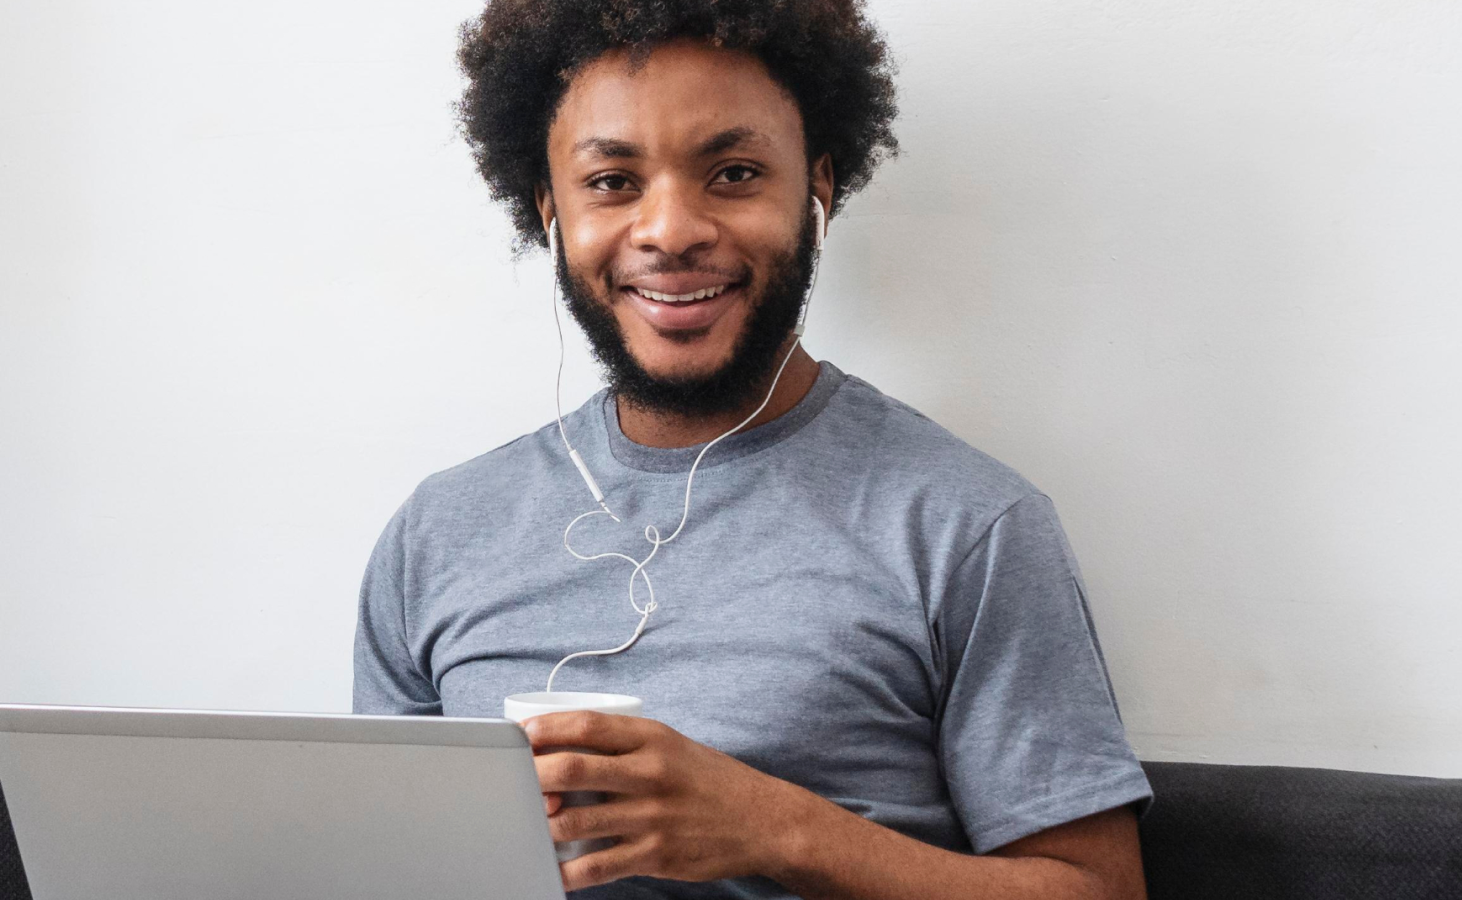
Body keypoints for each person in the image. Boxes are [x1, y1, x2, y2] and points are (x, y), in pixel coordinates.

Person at [350, 2, 1151, 897]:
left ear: (818, 190)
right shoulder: (438, 534)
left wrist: (779, 828)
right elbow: (386, 864)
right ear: (548, 209)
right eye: (612, 181)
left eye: (732, 172)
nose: (670, 231)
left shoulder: (966, 525)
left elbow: (1100, 891)